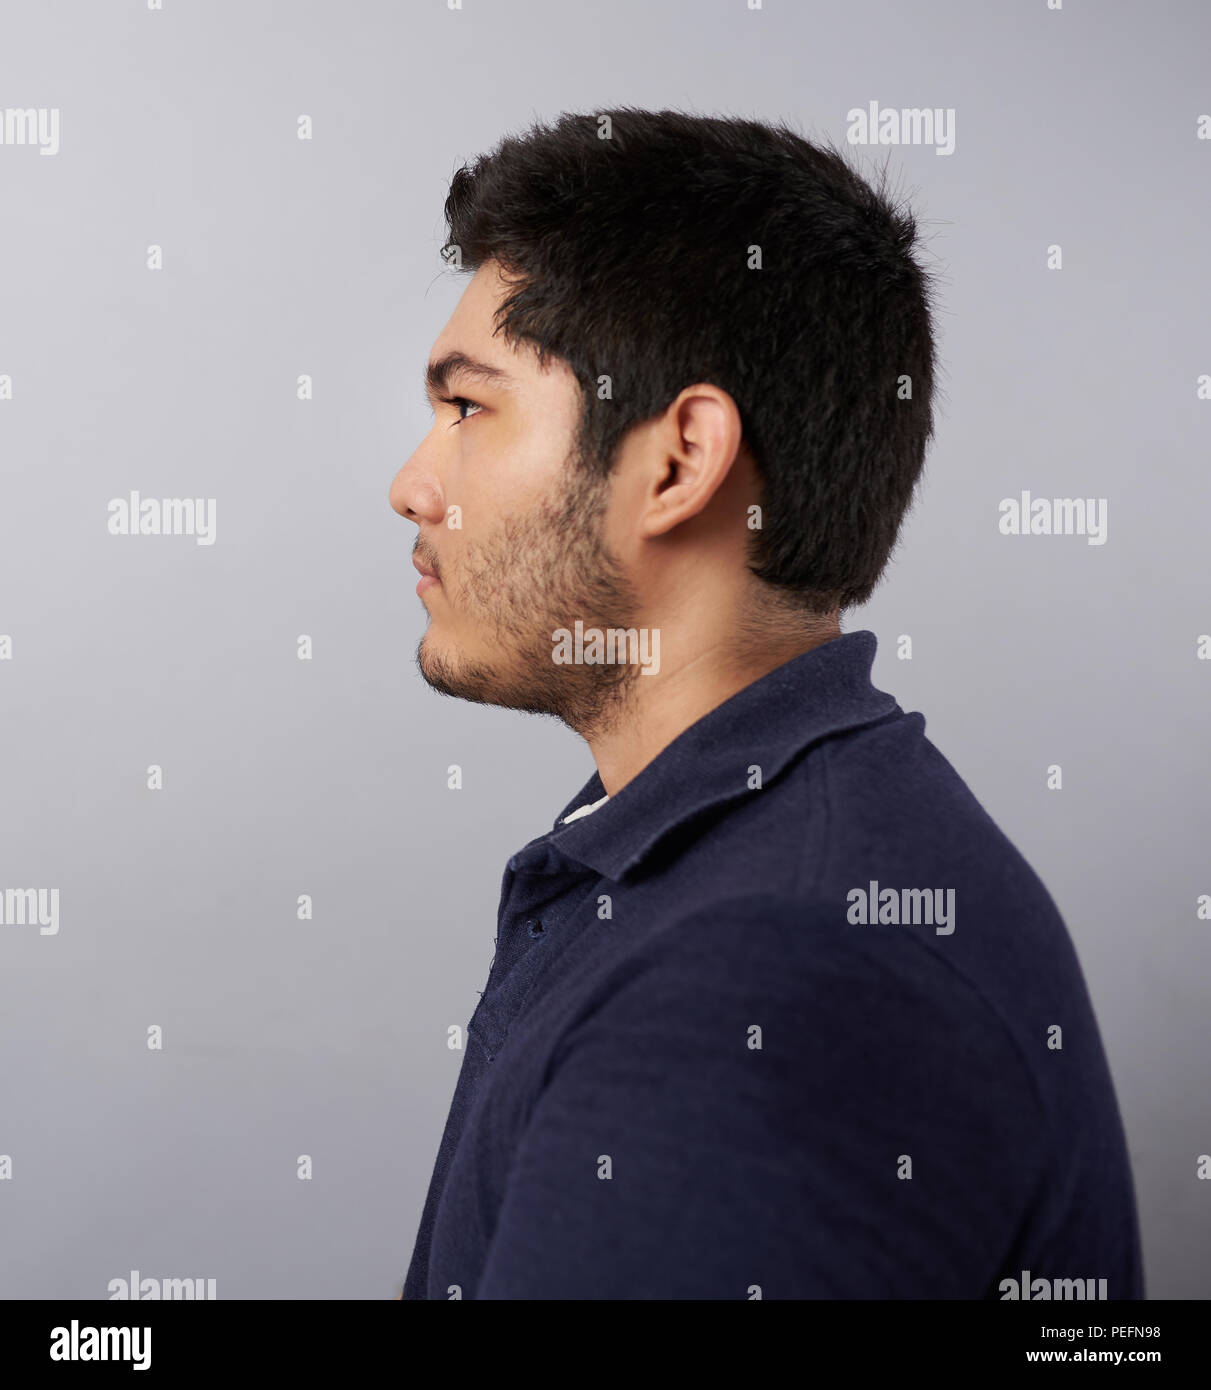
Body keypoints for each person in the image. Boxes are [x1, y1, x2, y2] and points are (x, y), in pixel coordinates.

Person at [388, 108, 1143, 1300]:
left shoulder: (768, 973)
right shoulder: (730, 856)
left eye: (468, 408)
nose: (411, 486)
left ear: (679, 462)